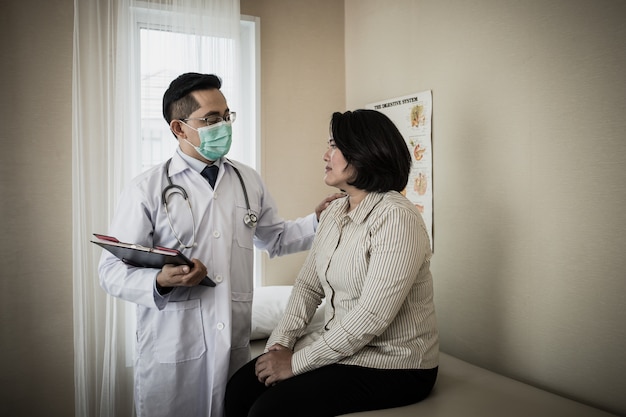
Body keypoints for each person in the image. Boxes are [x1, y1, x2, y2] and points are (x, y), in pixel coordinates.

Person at [98, 73, 342, 417]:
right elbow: (110, 271)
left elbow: (274, 237)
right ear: (179, 128)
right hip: (173, 346)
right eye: (211, 119)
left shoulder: (246, 180)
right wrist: (159, 281)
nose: (223, 126)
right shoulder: (147, 188)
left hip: (232, 344)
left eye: (227, 116)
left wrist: (316, 221)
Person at [224, 109, 439, 417]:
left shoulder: (396, 217)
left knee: (270, 410)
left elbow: (372, 316)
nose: (326, 154)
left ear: (365, 153)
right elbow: (307, 287)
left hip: (394, 364)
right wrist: (280, 345)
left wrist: (295, 363)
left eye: (335, 146)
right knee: (240, 387)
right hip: (343, 349)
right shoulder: (335, 213)